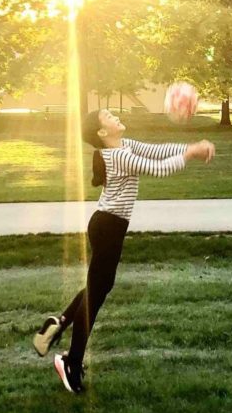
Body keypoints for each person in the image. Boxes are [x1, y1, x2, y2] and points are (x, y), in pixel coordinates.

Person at [32, 109, 215, 394]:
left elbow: (158, 152)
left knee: (99, 288)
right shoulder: (116, 156)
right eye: (108, 116)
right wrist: (192, 153)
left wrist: (189, 148)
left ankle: (59, 323)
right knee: (96, 294)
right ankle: (70, 362)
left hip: (110, 227)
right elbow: (159, 168)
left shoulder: (126, 145)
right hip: (106, 228)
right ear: (102, 133)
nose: (115, 116)